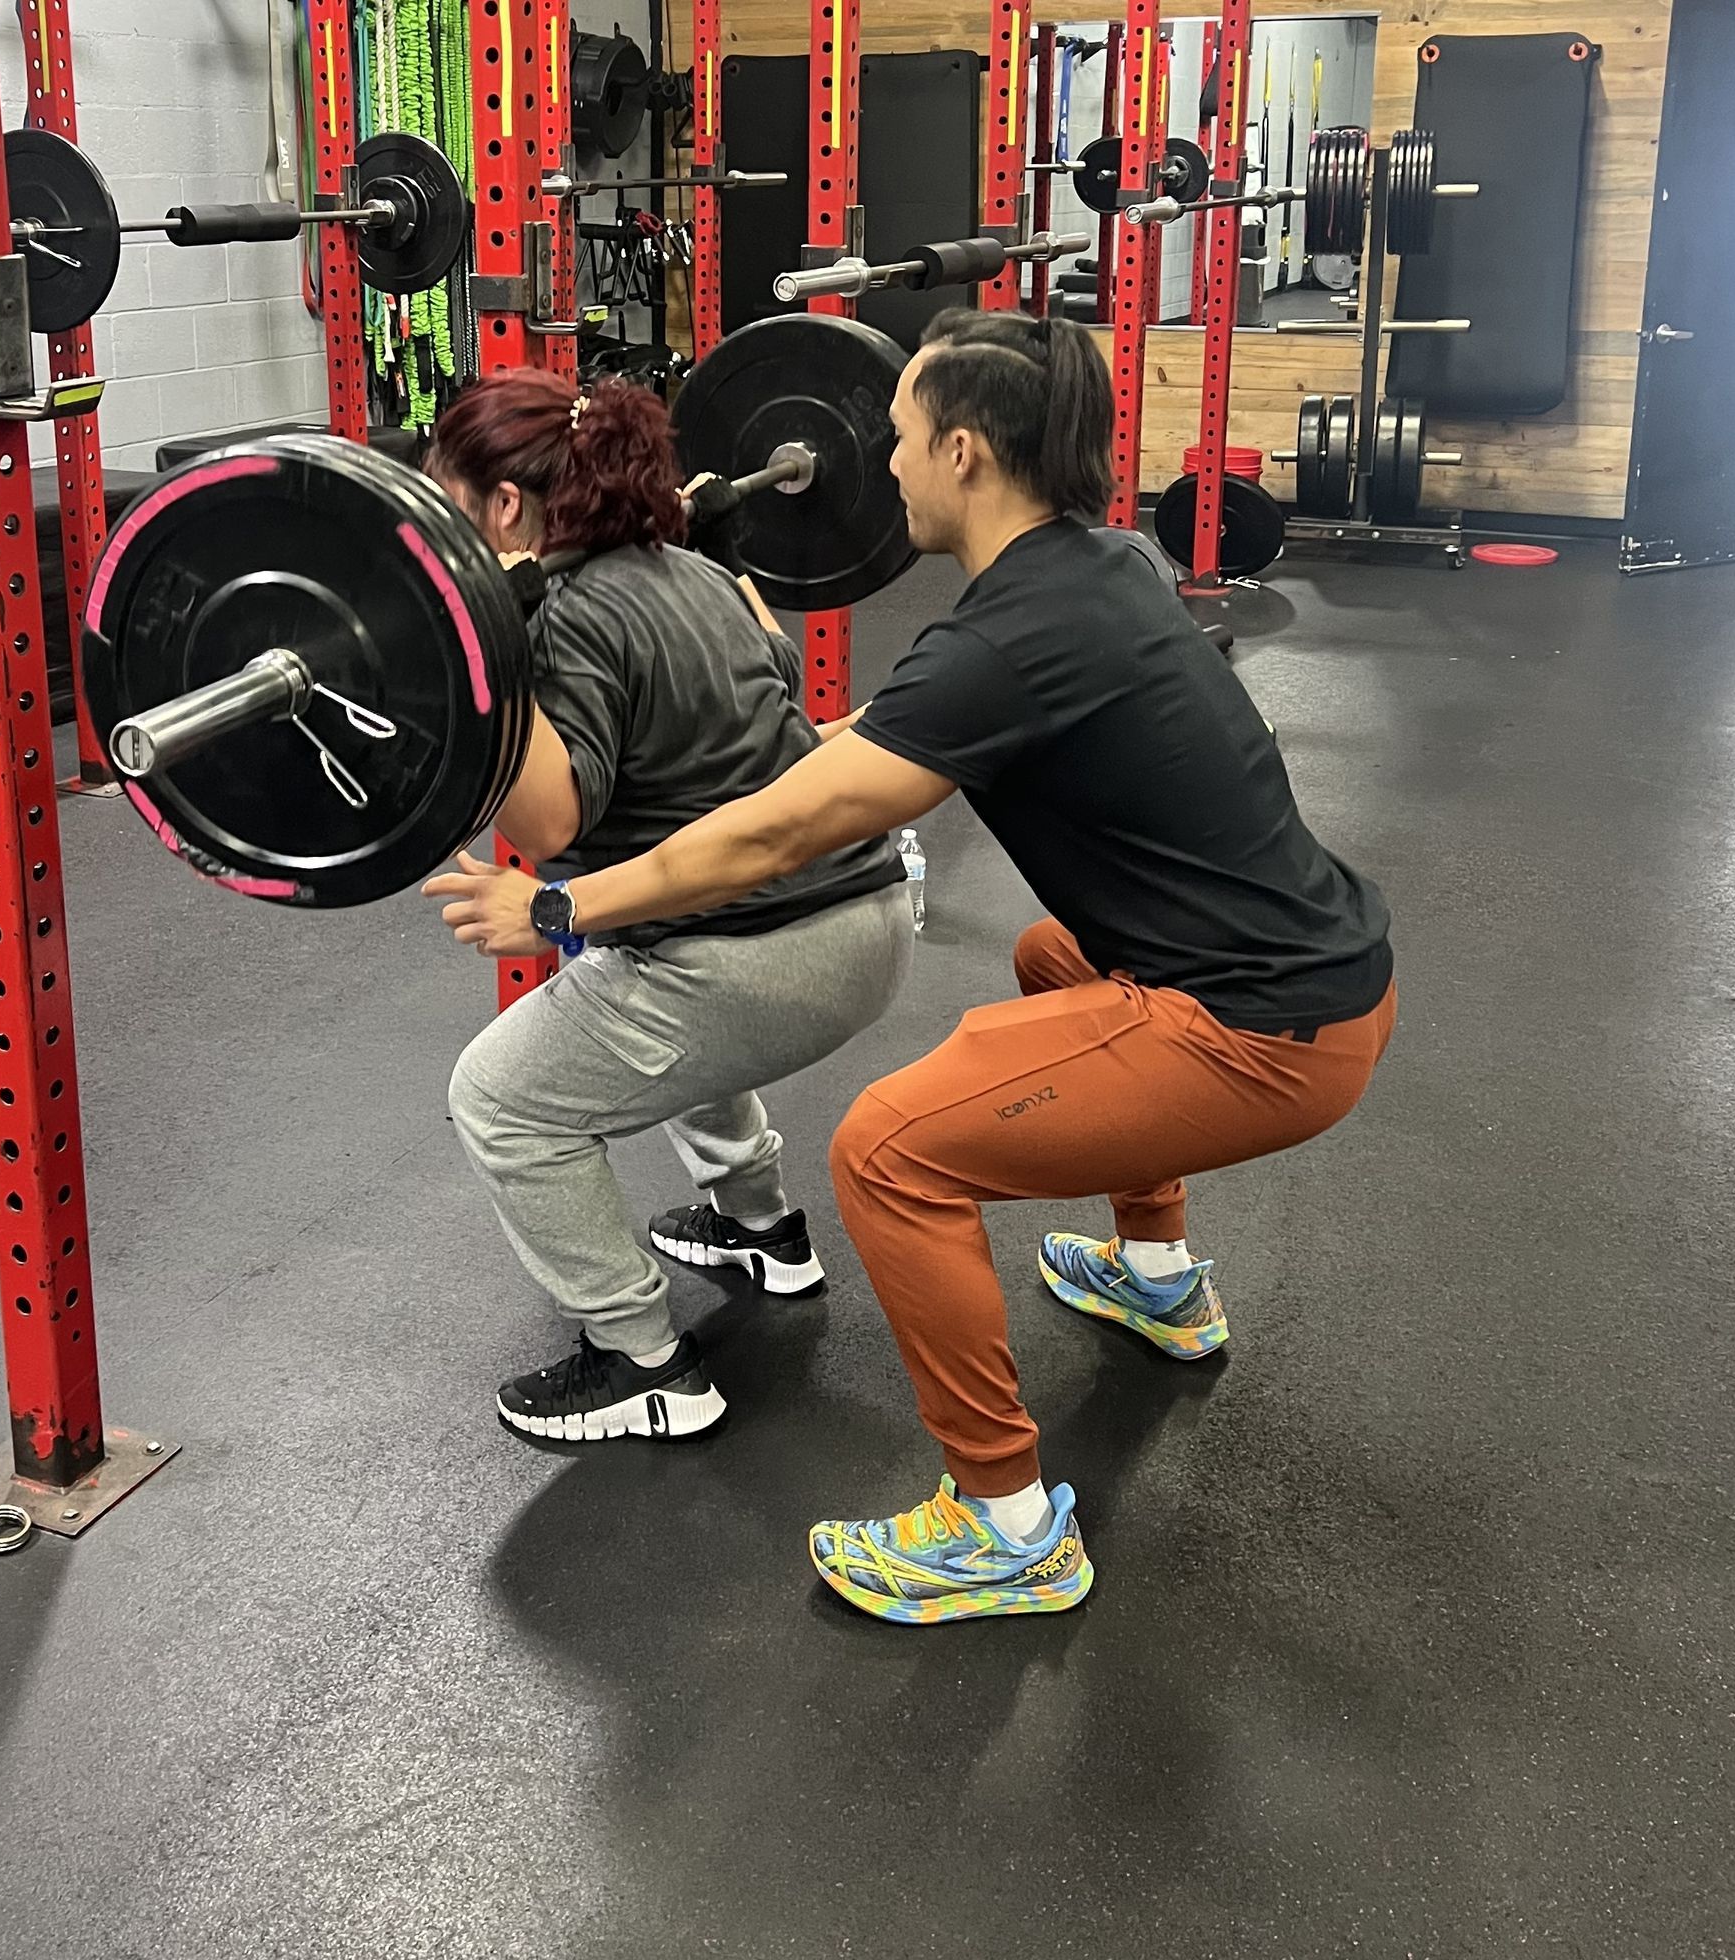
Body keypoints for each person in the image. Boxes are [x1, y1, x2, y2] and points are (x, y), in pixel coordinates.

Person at [429, 310, 1394, 1624]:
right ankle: (1159, 1280)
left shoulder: (1002, 641)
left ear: (961, 453)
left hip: (1265, 1032)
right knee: (1057, 954)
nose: (871, 466)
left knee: (889, 1151)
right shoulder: (1096, 570)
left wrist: (565, 906)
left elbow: (792, 822)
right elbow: (872, 742)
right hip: (1325, 970)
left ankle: (1003, 1525)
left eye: (891, 440)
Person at [419, 371, 914, 1447]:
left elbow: (549, 829)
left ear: (504, 508)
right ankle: (761, 1228)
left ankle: (642, 1360)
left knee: (498, 1095)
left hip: (760, 958)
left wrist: (481, 662)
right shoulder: (699, 571)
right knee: (628, 963)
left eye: (447, 503)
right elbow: (778, 721)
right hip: (869, 915)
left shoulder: (566, 617)